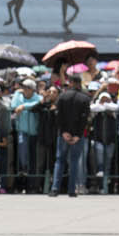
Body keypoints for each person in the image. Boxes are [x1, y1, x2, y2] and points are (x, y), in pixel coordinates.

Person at [50, 69, 90, 197]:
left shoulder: (62, 96)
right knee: (74, 161)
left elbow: (58, 115)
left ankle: (55, 188)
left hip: (63, 134)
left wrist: (63, 132)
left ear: (71, 82)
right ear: (79, 83)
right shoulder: (84, 98)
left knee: (60, 160)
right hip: (77, 136)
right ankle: (72, 190)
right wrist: (78, 134)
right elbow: (85, 119)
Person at [10, 78, 43, 192]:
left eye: (27, 87)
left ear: (32, 89)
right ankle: (22, 180)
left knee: (33, 160)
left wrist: (24, 106)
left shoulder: (37, 97)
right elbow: (13, 106)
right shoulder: (17, 95)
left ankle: (31, 185)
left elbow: (40, 103)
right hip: (22, 131)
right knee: (23, 157)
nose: (24, 89)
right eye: (23, 86)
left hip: (34, 133)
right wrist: (18, 99)